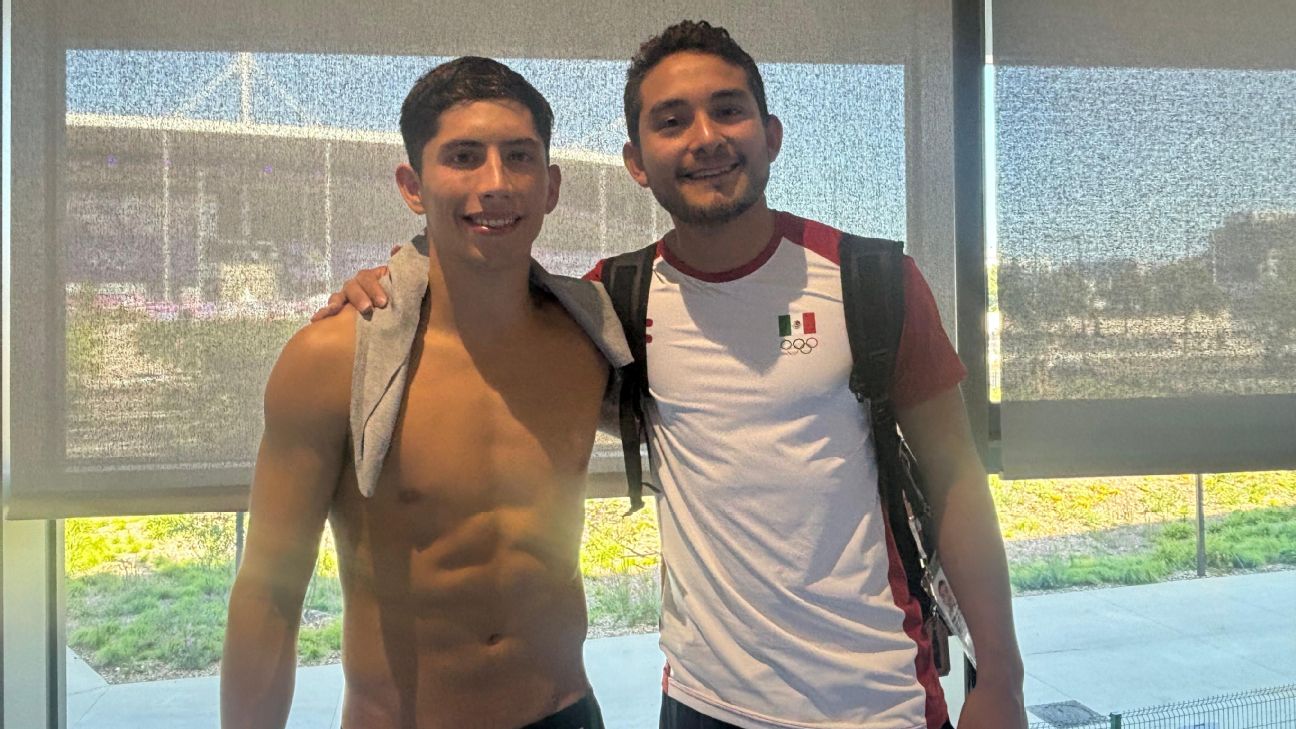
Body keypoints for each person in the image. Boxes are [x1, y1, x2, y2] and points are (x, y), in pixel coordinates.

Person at [319, 21, 1027, 729]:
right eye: (671, 121)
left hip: (878, 701)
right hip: (700, 702)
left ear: (771, 135)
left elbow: (956, 480)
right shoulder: (613, 302)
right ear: (636, 161)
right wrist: (396, 283)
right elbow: (484, 302)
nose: (705, 138)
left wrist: (1000, 678)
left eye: (728, 110)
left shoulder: (871, 282)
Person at [221, 57, 628, 729]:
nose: (495, 183)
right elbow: (269, 595)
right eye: (463, 157)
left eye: (519, 157)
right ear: (413, 186)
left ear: (550, 185)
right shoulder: (332, 359)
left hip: (565, 713)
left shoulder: (590, 340)